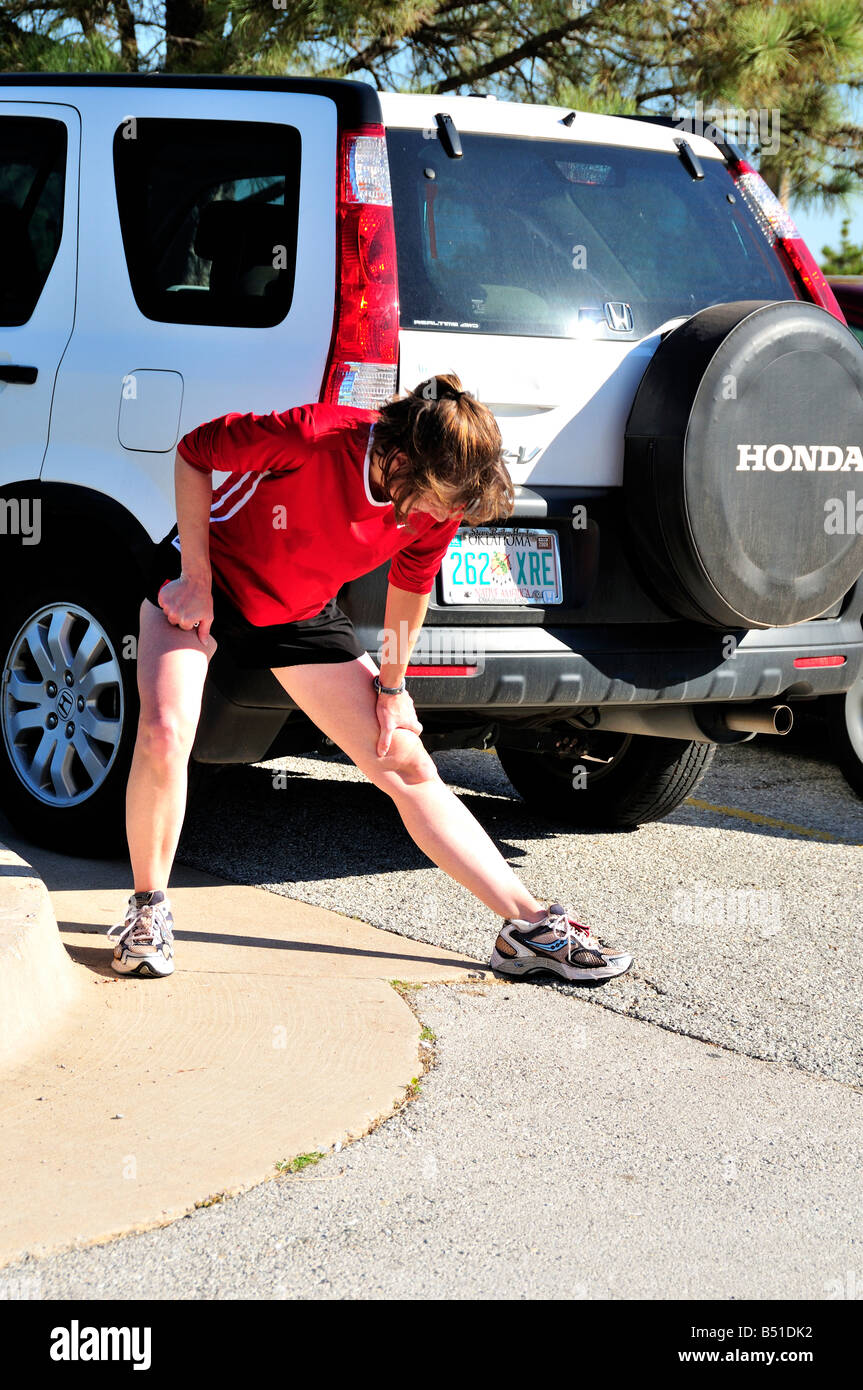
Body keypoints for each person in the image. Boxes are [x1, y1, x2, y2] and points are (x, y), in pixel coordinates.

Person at [109, 373, 633, 986]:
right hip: (208, 576)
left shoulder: (441, 501)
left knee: (405, 763)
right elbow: (195, 453)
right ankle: (146, 911)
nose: (447, 517)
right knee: (166, 731)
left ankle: (528, 927)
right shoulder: (314, 437)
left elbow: (409, 589)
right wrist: (196, 578)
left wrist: (392, 689)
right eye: (441, 502)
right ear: (401, 460)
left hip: (296, 611)